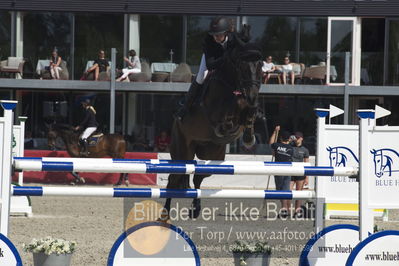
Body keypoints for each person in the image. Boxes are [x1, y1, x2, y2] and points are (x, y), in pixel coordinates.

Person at [174, 16, 250, 121]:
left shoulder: (233, 37)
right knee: (201, 76)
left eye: (218, 35)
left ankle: (249, 102)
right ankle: (185, 106)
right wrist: (225, 58)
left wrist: (246, 37)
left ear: (226, 33)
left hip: (226, 61)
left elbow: (243, 46)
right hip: (212, 59)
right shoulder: (208, 41)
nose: (216, 37)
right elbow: (210, 65)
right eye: (214, 35)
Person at [269, 125, 294, 218]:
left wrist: (275, 132)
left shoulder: (277, 145)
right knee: (286, 190)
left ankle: (284, 209)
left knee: (280, 191)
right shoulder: (291, 148)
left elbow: (271, 143)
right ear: (288, 139)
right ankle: (286, 209)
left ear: (280, 138)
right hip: (288, 171)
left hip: (279, 170)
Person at [290, 131, 310, 218]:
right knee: (288, 192)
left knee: (299, 193)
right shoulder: (290, 147)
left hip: (300, 173)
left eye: (298, 138)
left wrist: (307, 178)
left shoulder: (305, 150)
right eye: (295, 138)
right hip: (290, 172)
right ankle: (286, 209)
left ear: (301, 138)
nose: (296, 139)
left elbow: (306, 164)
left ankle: (297, 211)